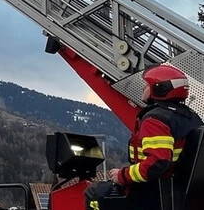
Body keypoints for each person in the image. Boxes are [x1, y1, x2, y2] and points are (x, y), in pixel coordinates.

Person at [85, 64, 203, 210]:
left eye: (146, 85)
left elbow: (157, 163)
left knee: (95, 196)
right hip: (181, 192)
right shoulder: (191, 117)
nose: (142, 88)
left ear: (160, 89)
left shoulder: (155, 120)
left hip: (154, 194)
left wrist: (122, 175)